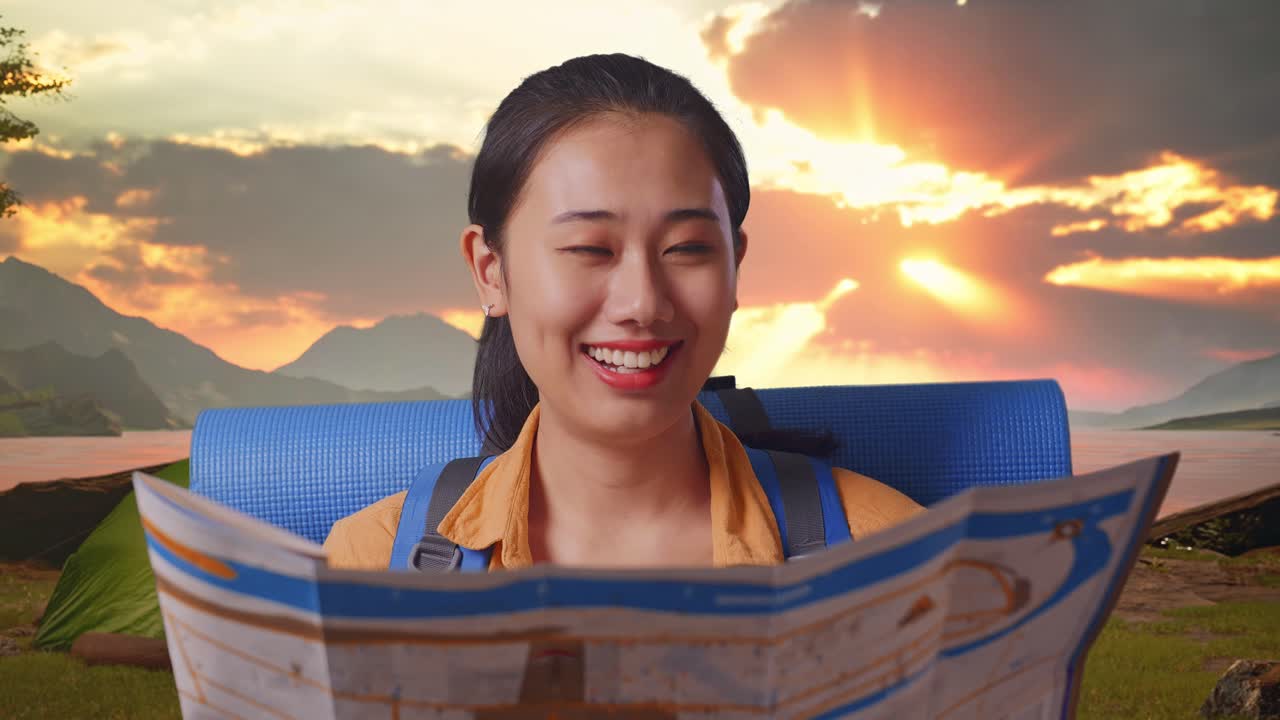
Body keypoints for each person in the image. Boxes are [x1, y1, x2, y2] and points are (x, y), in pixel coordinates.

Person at [323, 53, 923, 571]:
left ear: (735, 267)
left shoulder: (893, 554)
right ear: (490, 270)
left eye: (687, 249)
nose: (642, 303)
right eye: (589, 249)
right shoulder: (367, 564)